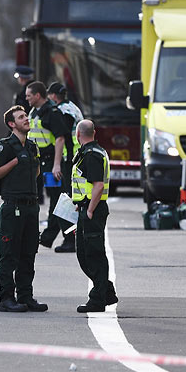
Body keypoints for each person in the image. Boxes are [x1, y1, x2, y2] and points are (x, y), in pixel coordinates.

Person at [0, 105, 47, 313]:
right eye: (21, 117)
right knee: (8, 254)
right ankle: (6, 298)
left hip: (31, 207)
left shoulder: (32, 147)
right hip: (12, 208)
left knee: (28, 253)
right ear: (12, 124)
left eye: (26, 116)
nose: (26, 119)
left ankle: (25, 296)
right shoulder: (6, 146)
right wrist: (13, 163)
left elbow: (37, 171)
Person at [72, 119, 118, 313]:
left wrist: (90, 209)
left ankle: (98, 299)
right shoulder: (91, 152)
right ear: (94, 132)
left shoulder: (92, 155)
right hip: (86, 207)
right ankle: (105, 291)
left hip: (93, 210)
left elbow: (98, 185)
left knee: (93, 255)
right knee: (85, 254)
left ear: (78, 134)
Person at [25, 81, 70, 251]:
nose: (26, 98)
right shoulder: (34, 112)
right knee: (40, 197)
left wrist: (57, 165)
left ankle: (68, 238)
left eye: (29, 95)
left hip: (51, 163)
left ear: (37, 95)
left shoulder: (52, 113)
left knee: (57, 200)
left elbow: (60, 139)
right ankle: (45, 237)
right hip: (39, 161)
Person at [46, 82, 84, 253]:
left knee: (64, 199)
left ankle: (71, 238)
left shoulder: (63, 111)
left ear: (53, 96)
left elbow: (63, 135)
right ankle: (52, 236)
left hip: (68, 160)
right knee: (59, 198)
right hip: (72, 158)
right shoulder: (72, 107)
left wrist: (57, 162)